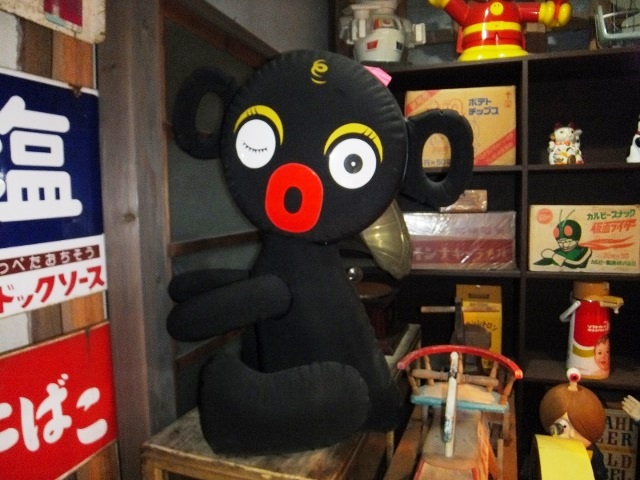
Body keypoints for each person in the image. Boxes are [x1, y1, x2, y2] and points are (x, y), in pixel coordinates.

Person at [538, 370, 607, 480]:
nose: (571, 435)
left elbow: (600, 475)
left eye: (579, 428)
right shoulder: (543, 449)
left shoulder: (594, 455)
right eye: (562, 427)